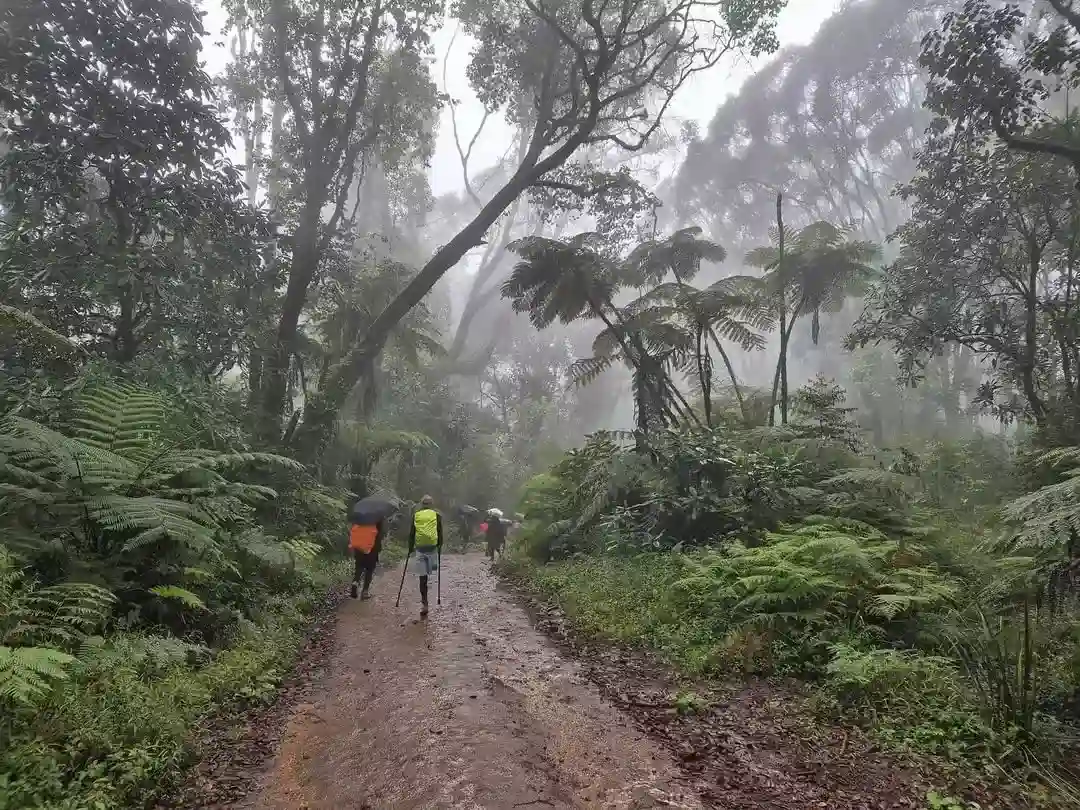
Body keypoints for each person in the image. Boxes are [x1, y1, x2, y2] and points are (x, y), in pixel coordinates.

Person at [408, 495, 443, 618]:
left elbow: (412, 533)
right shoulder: (436, 515)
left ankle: (425, 603)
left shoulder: (416, 515)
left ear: (422, 504)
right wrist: (439, 546)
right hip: (432, 548)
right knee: (431, 571)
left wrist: (410, 547)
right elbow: (439, 532)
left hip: (420, 548)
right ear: (431, 504)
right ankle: (429, 574)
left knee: (422, 578)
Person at [348, 517, 385, 600]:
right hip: (372, 547)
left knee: (359, 567)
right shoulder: (377, 516)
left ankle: (355, 582)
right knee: (369, 569)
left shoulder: (360, 514)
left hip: (359, 546)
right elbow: (380, 533)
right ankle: (365, 592)